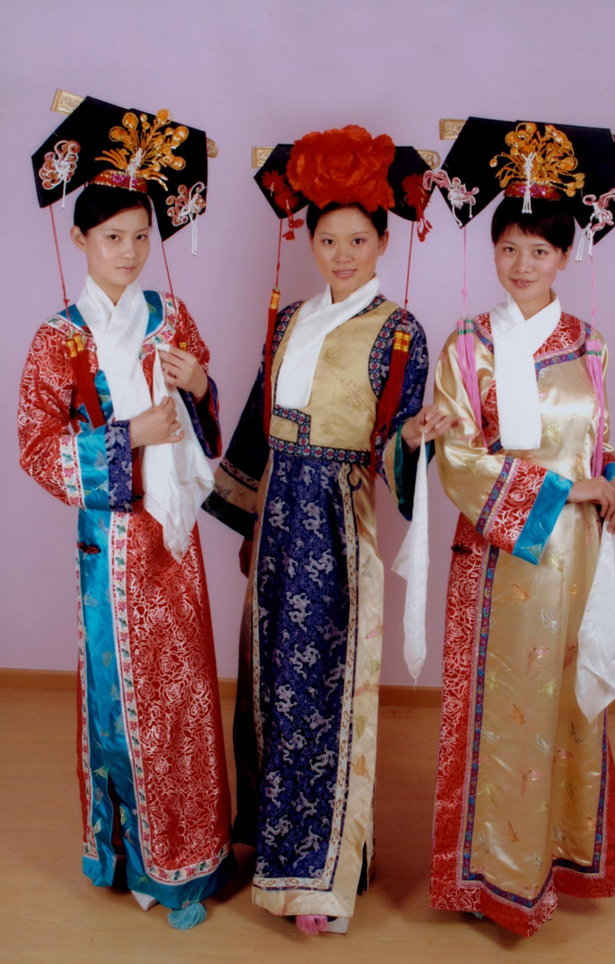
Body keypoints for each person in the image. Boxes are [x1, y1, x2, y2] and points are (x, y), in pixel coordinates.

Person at [204, 125, 452, 934]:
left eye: (358, 240)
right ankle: (265, 837)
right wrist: (247, 519)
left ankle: (318, 872)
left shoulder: (400, 330)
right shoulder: (288, 322)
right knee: (265, 678)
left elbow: (395, 437)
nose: (342, 254)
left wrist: (413, 437)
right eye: (328, 239)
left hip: (336, 524)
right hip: (277, 517)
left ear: (383, 241)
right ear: (308, 241)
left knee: (321, 688)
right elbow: (256, 422)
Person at [19, 103, 236, 928]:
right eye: (113, 236)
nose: (130, 251)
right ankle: (144, 861)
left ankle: (198, 850)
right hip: (113, 543)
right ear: (81, 239)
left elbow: (207, 416)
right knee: (128, 698)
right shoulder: (59, 338)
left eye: (142, 236)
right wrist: (126, 437)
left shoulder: (170, 317)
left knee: (186, 691)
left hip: (175, 539)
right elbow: (37, 447)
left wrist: (198, 386)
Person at [429, 121, 615, 936]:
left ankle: (552, 860)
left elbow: (599, 443)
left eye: (540, 252)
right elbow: (457, 456)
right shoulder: (469, 345)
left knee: (563, 714)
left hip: (576, 560)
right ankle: (495, 881)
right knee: (502, 714)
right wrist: (563, 491)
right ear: (494, 251)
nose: (522, 265)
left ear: (565, 256)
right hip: (499, 559)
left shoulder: (589, 345)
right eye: (509, 248)